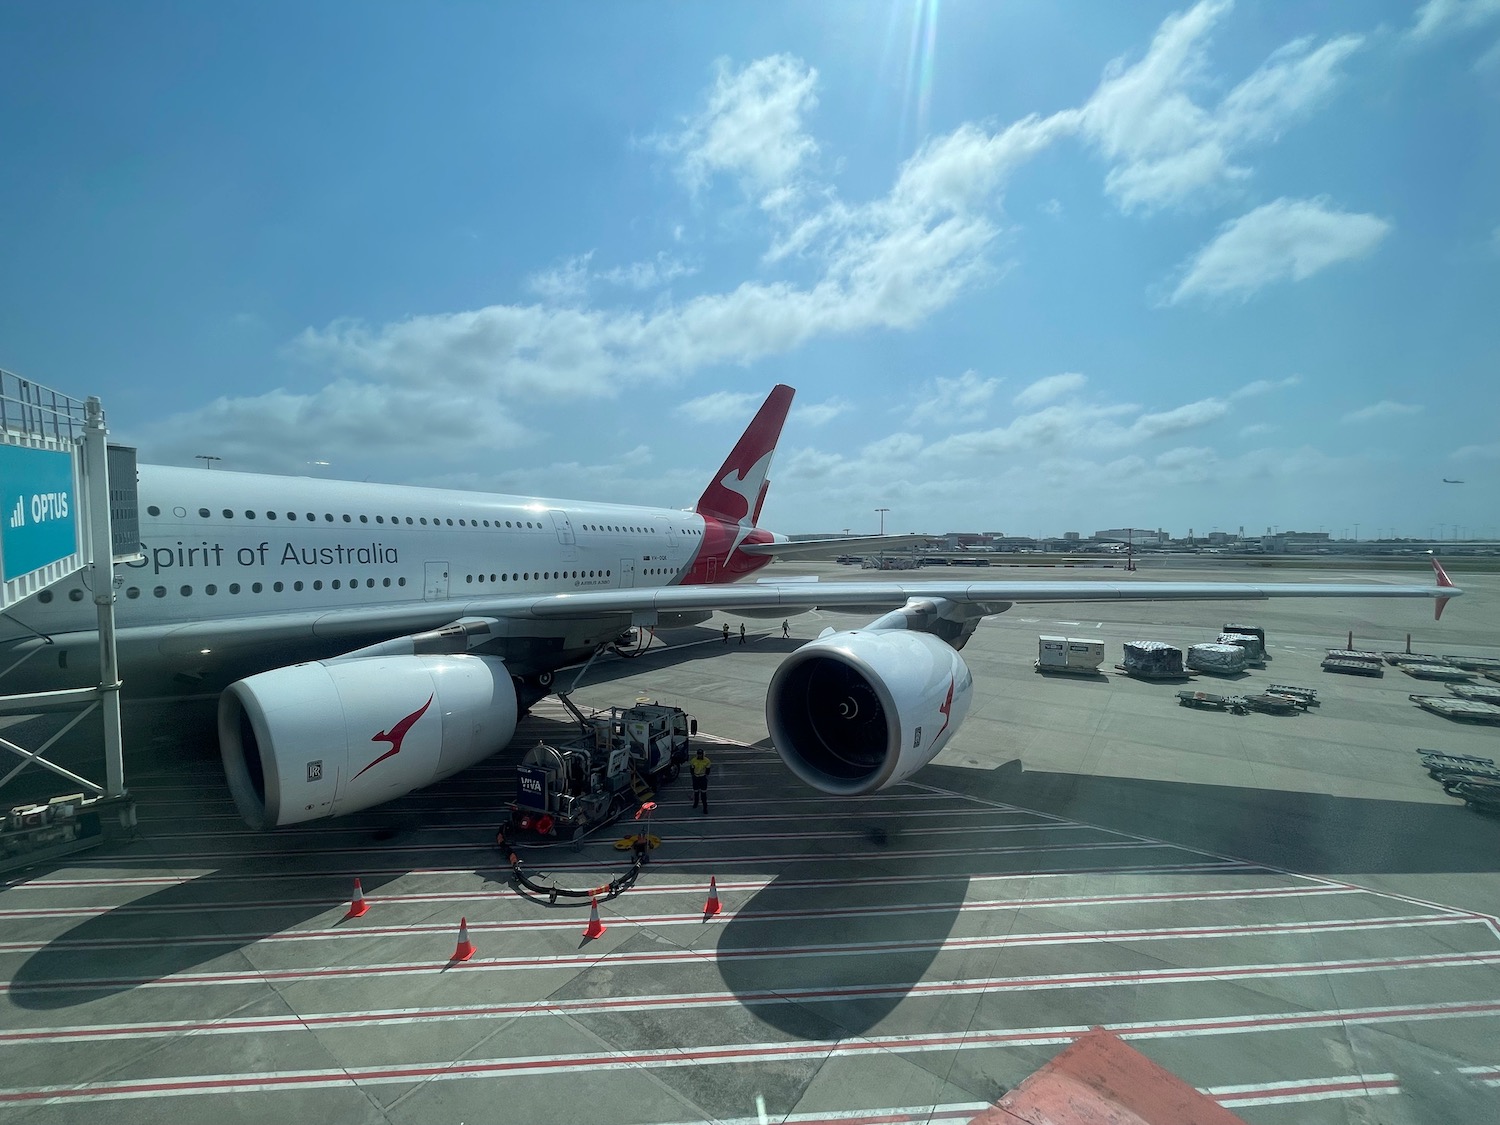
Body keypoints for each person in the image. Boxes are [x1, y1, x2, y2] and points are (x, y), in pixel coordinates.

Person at [689, 747, 712, 814]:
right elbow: (691, 769)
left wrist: (705, 777)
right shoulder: (693, 761)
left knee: (703, 794)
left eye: (700, 754)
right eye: (698, 754)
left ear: (703, 754)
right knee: (696, 792)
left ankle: (705, 808)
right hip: (696, 777)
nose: (699, 755)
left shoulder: (707, 761)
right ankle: (696, 803)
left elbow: (708, 770)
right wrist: (693, 776)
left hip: (702, 777)